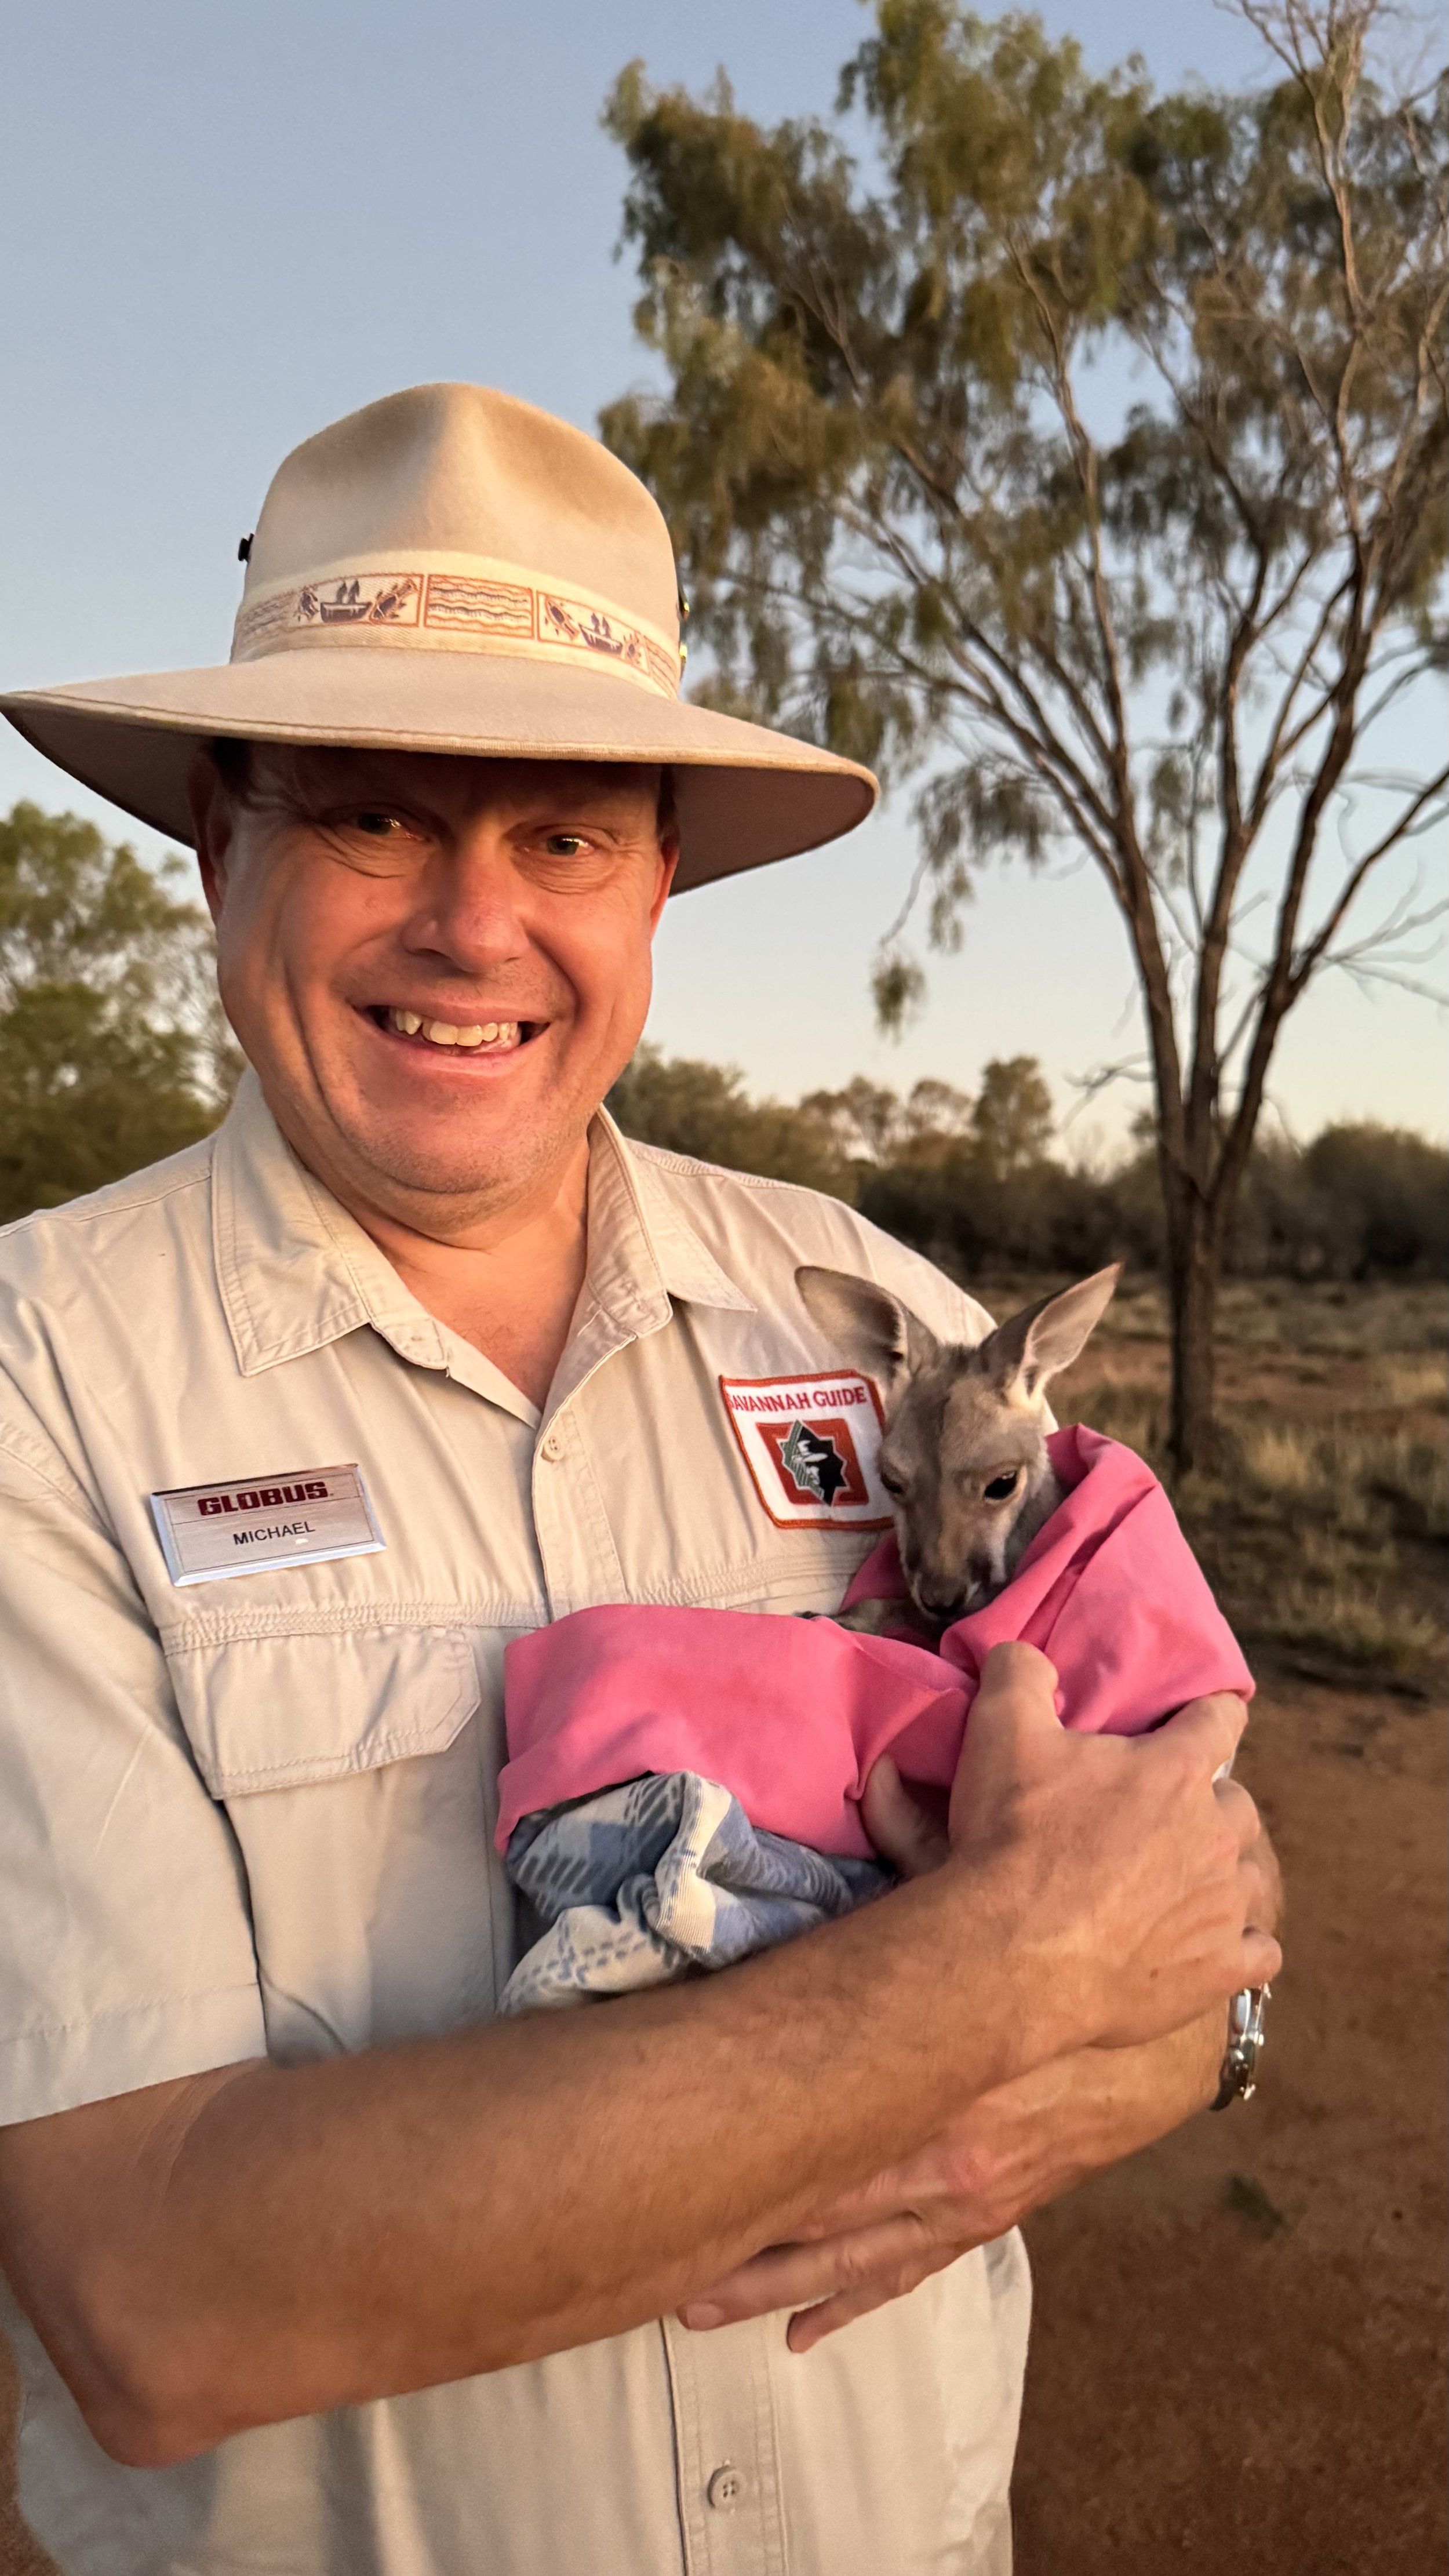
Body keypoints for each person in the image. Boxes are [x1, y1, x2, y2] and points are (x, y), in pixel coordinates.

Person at [0, 383, 1280, 2576]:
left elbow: (1184, 1841)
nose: (474, 926)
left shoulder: (865, 1308)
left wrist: (1198, 2031)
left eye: (568, 837)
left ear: (660, 879)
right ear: (221, 839)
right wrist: (995, 1983)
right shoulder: (44, 1381)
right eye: (375, 816)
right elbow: (158, 2298)